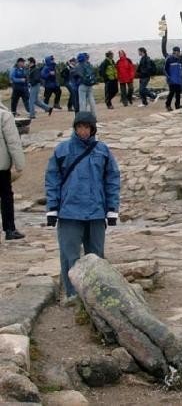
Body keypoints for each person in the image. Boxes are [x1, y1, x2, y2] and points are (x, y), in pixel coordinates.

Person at [44, 112, 120, 303]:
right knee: (70, 255)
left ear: (93, 129)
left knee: (97, 257)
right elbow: (52, 179)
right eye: (80, 127)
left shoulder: (102, 150)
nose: (83, 131)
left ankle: (98, 296)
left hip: (96, 211)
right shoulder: (62, 150)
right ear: (75, 128)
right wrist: (52, 208)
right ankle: (73, 295)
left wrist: (112, 208)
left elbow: (112, 179)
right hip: (69, 212)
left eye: (87, 127)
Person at [0, 104, 25, 241]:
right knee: (6, 197)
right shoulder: (4, 115)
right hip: (1, 167)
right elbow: (13, 142)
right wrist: (19, 164)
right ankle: (9, 229)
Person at [164, 46, 182, 111]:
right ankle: (167, 105)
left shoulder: (180, 59)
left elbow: (181, 69)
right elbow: (165, 69)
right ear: (175, 51)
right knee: (172, 92)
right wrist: (169, 77)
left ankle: (177, 105)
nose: (179, 53)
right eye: (178, 52)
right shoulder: (169, 59)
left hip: (178, 79)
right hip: (171, 80)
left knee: (178, 92)